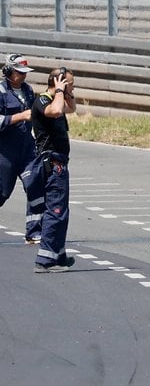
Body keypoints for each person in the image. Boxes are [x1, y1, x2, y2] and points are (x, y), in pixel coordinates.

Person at [29, 67, 78, 273]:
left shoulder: (58, 99)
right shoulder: (42, 101)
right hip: (51, 164)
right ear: (58, 82)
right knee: (55, 211)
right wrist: (59, 91)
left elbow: (71, 108)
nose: (72, 87)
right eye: (70, 83)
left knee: (62, 213)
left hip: (60, 163)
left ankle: (58, 255)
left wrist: (67, 93)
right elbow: (56, 110)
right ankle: (44, 261)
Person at [0, 54, 40, 243]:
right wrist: (19, 116)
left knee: (35, 185)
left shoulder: (29, 90)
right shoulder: (0, 91)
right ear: (8, 71)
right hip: (5, 151)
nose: (23, 76)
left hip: (27, 150)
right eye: (19, 72)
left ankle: (34, 233)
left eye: (25, 73)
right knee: (2, 193)